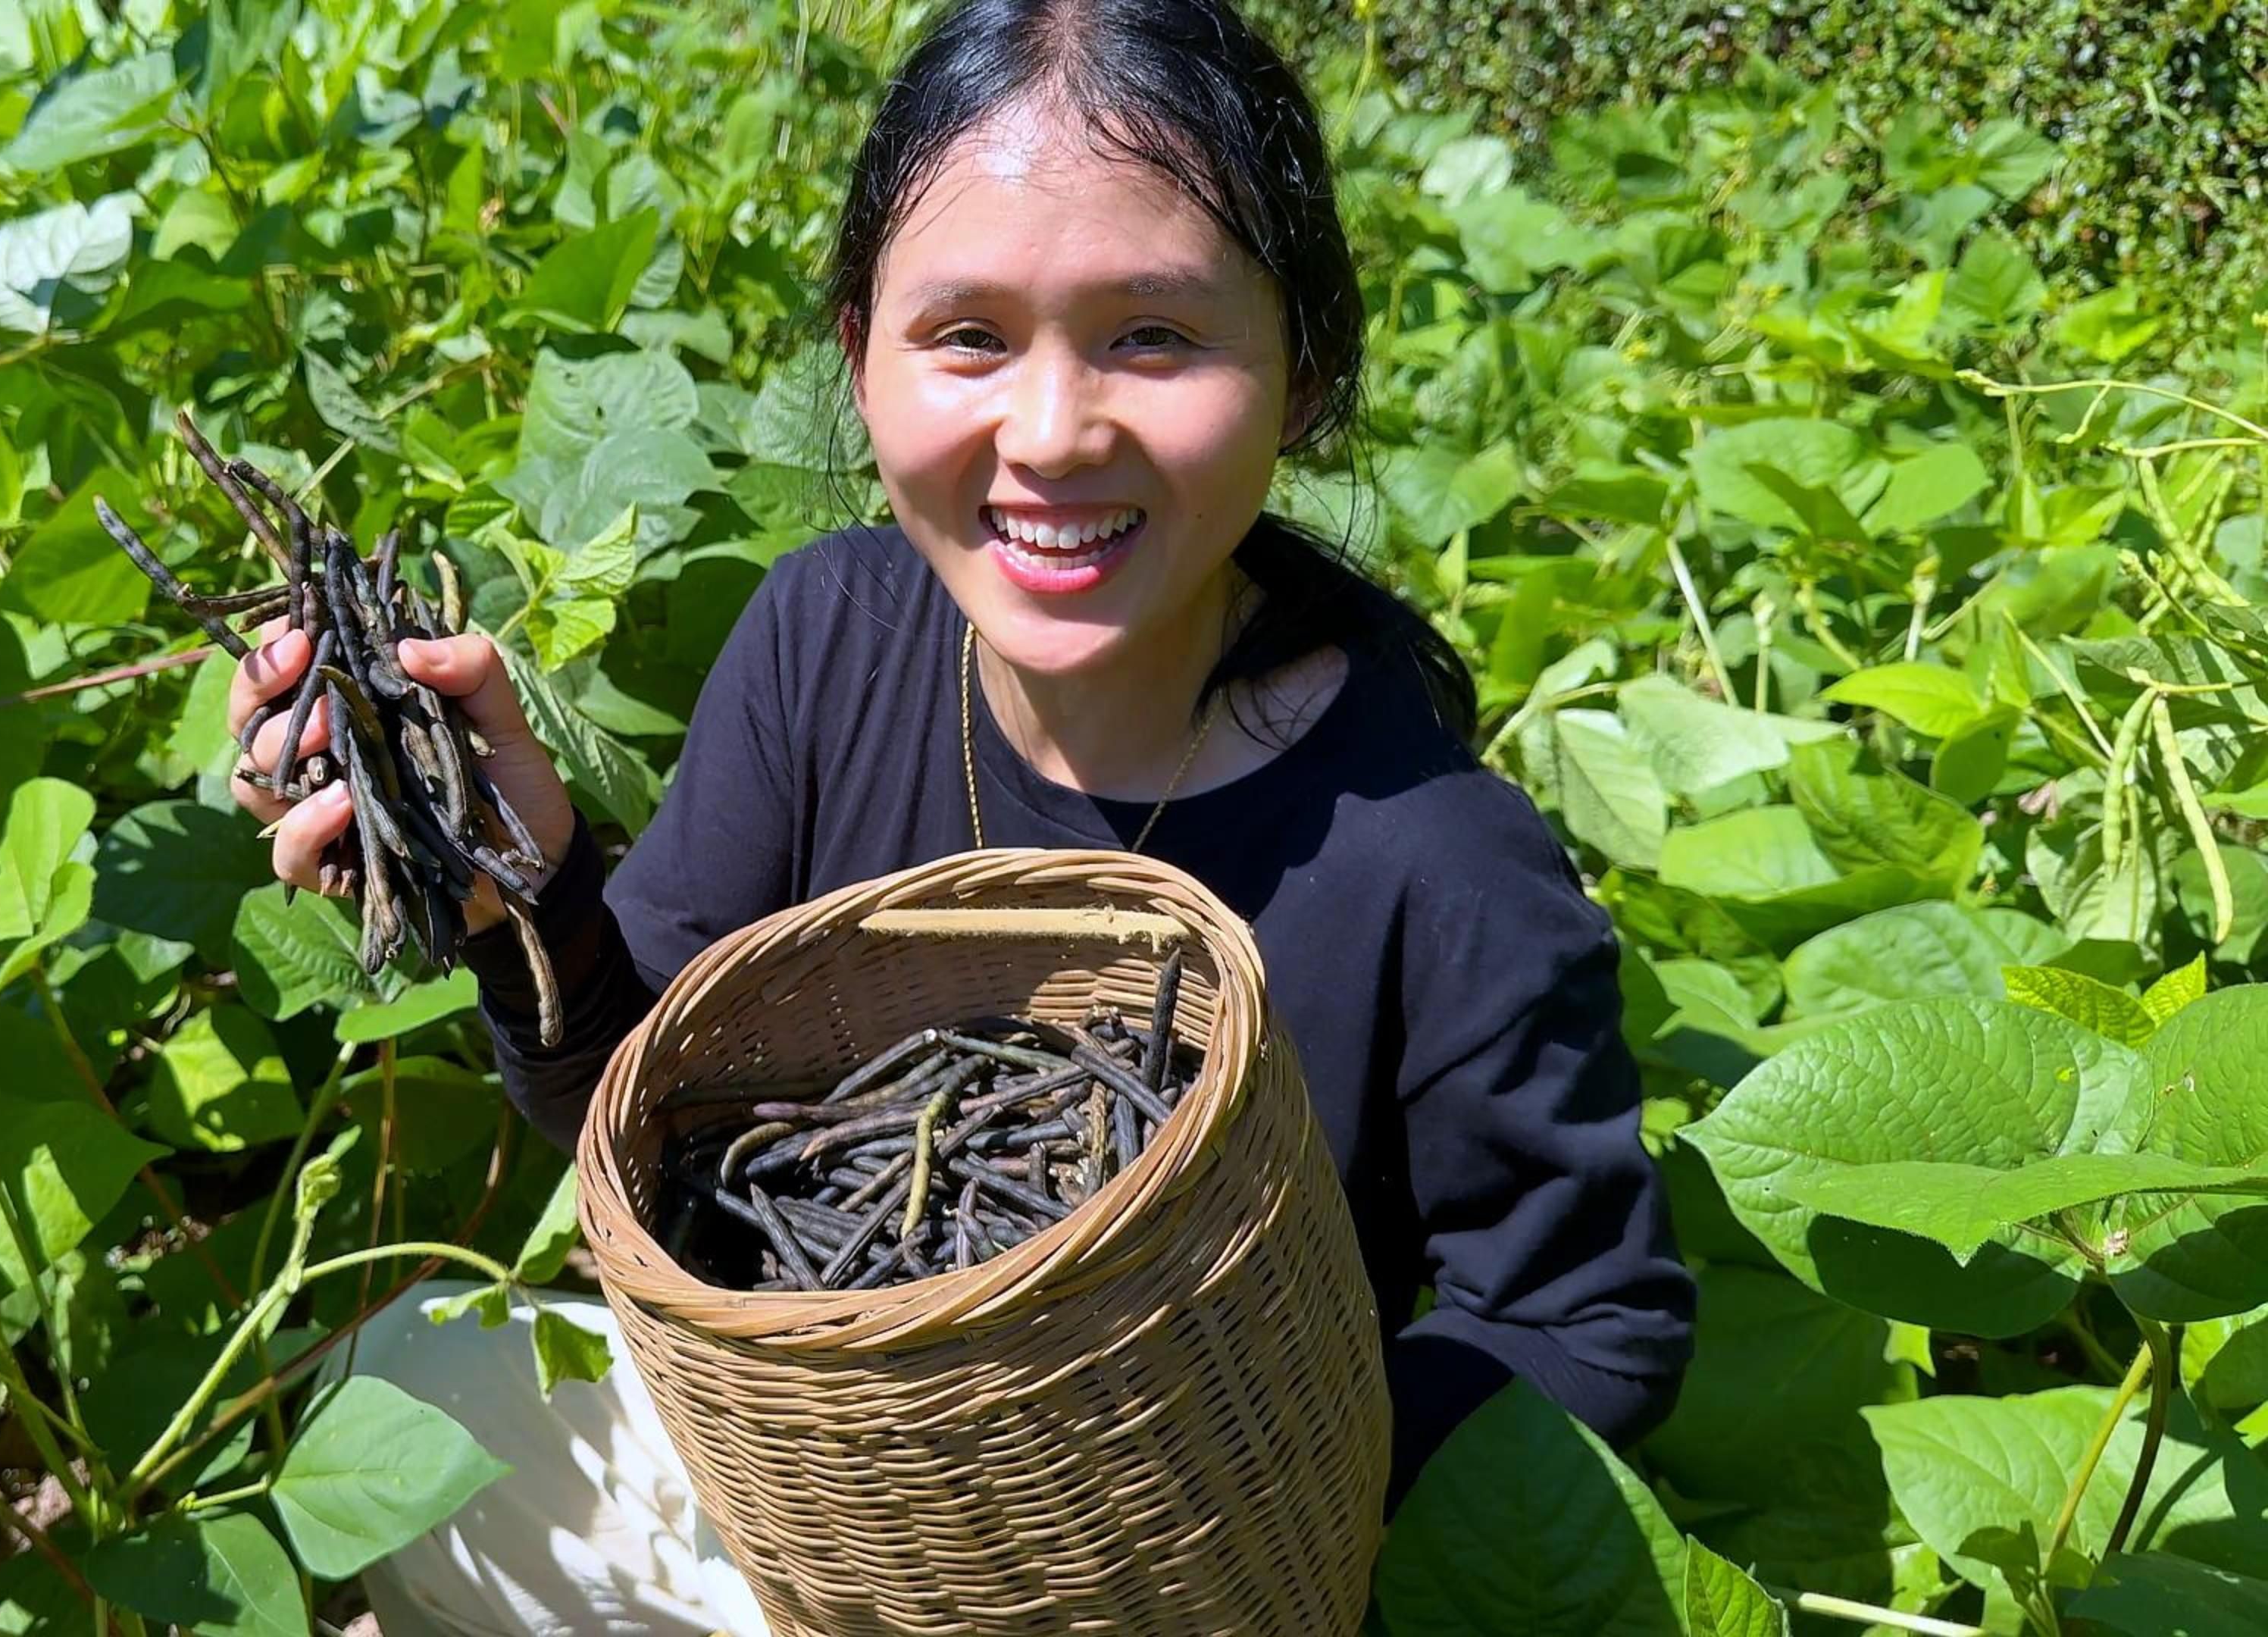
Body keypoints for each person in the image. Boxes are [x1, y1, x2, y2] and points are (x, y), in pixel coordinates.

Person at [233, 0, 1695, 1628]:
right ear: (859, 354)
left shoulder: (1432, 853)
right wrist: (517, 881)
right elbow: (644, 1131)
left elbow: (1589, 1324)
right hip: (842, 1521)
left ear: (1307, 372)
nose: (1054, 432)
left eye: (1155, 336)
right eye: (969, 337)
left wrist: (1248, 1486)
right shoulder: (829, 641)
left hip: (1192, 1574)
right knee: (401, 1385)